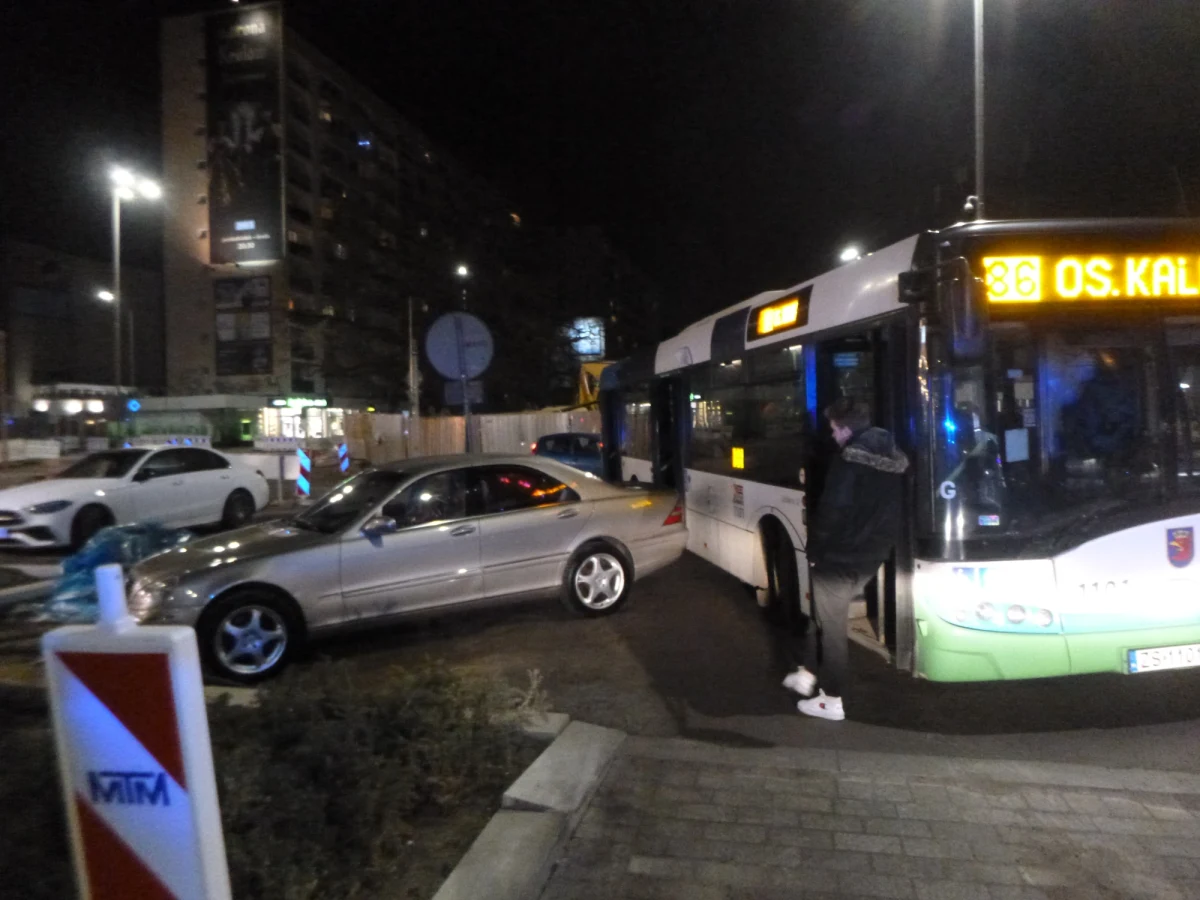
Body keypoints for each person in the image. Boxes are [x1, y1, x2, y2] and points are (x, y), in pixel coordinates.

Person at [782, 397, 908, 721]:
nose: (834, 436)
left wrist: (816, 553)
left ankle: (832, 698)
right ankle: (808, 671)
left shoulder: (848, 461)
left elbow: (832, 512)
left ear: (847, 428)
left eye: (835, 429)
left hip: (839, 557)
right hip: (871, 556)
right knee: (823, 614)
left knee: (832, 628)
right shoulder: (893, 459)